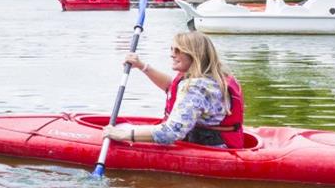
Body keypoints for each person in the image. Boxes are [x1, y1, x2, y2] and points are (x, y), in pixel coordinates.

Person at [105, 31, 245, 148]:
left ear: (194, 55)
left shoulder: (196, 88)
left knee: (122, 128)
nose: (172, 54)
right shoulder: (215, 77)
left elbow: (170, 133)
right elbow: (171, 87)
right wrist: (142, 66)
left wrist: (125, 135)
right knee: (123, 125)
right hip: (225, 141)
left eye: (178, 50)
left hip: (210, 148)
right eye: (171, 49)